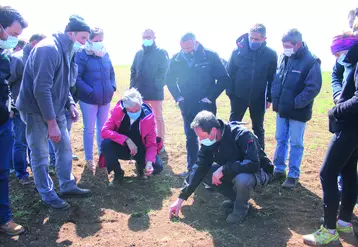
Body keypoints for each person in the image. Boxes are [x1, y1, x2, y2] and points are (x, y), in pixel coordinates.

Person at [16, 15, 92, 210]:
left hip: (56, 107)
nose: (84, 43)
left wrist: (70, 104)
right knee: (41, 154)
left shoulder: (66, 50)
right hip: (35, 110)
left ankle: (67, 185)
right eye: (83, 38)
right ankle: (47, 194)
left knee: (65, 148)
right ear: (71, 33)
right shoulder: (48, 49)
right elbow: (41, 89)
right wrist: (51, 123)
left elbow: (62, 83)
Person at [169, 111, 273, 224]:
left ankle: (241, 210)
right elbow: (199, 167)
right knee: (205, 172)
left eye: (202, 136)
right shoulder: (209, 142)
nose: (200, 140)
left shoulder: (242, 134)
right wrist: (180, 199)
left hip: (259, 171)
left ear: (213, 130)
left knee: (242, 179)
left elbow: (253, 163)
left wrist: (224, 169)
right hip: (235, 170)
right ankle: (237, 200)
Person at [303, 34, 358, 246]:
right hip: (354, 128)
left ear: (347, 49)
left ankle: (329, 232)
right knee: (348, 172)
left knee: (327, 173)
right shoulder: (351, 63)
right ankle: (344, 221)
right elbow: (337, 78)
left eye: (338, 53)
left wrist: (335, 110)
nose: (338, 58)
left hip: (349, 128)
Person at [166, 32, 230, 178]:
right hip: (187, 105)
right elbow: (169, 79)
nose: (186, 51)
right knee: (190, 137)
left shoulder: (210, 56)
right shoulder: (176, 59)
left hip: (206, 106)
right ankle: (192, 169)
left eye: (189, 47)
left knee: (209, 137)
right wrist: (178, 97)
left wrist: (210, 97)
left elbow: (224, 78)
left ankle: (210, 170)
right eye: (183, 48)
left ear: (195, 43)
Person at [270, 29, 322, 188]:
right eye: (282, 45)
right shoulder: (283, 57)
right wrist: (275, 99)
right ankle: (279, 169)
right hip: (281, 109)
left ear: (298, 44)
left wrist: (296, 103)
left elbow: (313, 88)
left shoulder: (311, 61)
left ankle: (293, 175)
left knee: (296, 142)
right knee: (280, 139)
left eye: (287, 45)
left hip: (297, 111)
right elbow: (277, 80)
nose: (284, 48)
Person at [226, 23, 277, 150]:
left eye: (257, 39)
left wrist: (269, 98)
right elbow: (229, 74)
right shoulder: (237, 52)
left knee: (258, 128)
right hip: (238, 97)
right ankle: (229, 153)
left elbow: (272, 78)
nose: (253, 41)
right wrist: (230, 94)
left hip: (258, 98)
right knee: (232, 125)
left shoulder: (271, 55)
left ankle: (260, 158)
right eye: (251, 38)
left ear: (264, 39)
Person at [0, 5, 27, 235]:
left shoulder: (5, 59)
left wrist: (9, 108)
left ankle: (4, 219)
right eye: (14, 34)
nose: (15, 40)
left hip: (4, 124)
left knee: (1, 173)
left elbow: (7, 86)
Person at [100, 88, 163, 187]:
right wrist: (126, 140)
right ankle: (118, 173)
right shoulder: (118, 112)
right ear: (125, 107)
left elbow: (151, 144)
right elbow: (104, 131)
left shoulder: (149, 117)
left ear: (141, 104)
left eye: (137, 110)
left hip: (141, 150)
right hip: (122, 148)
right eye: (130, 110)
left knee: (157, 166)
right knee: (106, 145)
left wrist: (149, 162)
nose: (134, 112)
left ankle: (141, 166)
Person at [76, 27, 116, 172]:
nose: (99, 43)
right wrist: (90, 91)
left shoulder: (105, 54)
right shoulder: (81, 54)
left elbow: (111, 72)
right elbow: (77, 77)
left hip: (105, 98)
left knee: (103, 128)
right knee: (89, 129)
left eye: (101, 40)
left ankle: (102, 155)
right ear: (89, 40)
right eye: (96, 40)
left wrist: (112, 86)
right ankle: (89, 159)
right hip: (89, 100)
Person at [7, 33, 45, 185]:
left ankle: (36, 170)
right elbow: (6, 84)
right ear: (34, 43)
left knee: (34, 142)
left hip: (36, 108)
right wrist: (10, 106)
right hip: (20, 109)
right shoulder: (17, 59)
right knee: (21, 141)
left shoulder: (40, 59)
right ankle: (21, 173)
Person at [130, 29, 169, 150]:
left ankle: (160, 142)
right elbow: (133, 70)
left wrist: (158, 85)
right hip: (140, 92)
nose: (146, 39)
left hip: (155, 92)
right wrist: (133, 88)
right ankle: (145, 140)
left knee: (158, 117)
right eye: (144, 37)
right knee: (142, 118)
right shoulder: (139, 54)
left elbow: (165, 71)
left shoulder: (161, 53)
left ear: (154, 38)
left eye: (149, 37)